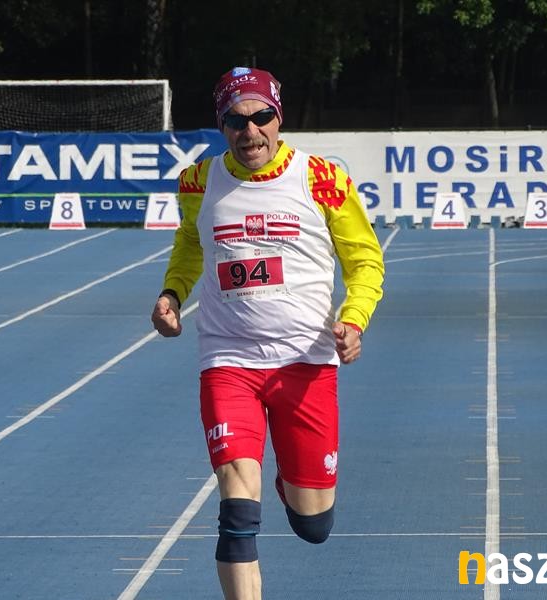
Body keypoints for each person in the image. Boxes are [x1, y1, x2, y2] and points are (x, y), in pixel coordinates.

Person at [151, 66, 384, 600]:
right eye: (236, 121)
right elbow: (191, 244)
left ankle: (292, 481)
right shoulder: (197, 182)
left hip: (306, 363)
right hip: (228, 360)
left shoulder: (322, 178)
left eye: (261, 117)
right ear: (221, 125)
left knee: (313, 523)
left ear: (279, 118)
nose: (250, 131)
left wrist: (354, 319)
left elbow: (365, 261)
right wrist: (172, 294)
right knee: (237, 507)